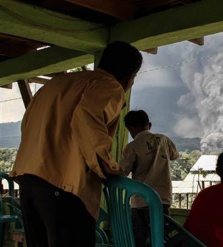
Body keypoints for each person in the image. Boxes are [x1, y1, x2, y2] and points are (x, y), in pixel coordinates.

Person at [11, 41, 143, 247]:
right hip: (64, 187)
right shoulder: (109, 86)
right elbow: (86, 118)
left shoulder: (57, 84)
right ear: (130, 77)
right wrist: (109, 167)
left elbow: (27, 125)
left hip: (29, 181)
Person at [118, 109, 179, 247]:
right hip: (162, 200)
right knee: (160, 239)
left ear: (130, 129)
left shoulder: (132, 147)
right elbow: (175, 155)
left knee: (139, 240)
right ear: (149, 125)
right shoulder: (164, 140)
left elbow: (122, 172)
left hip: (140, 202)